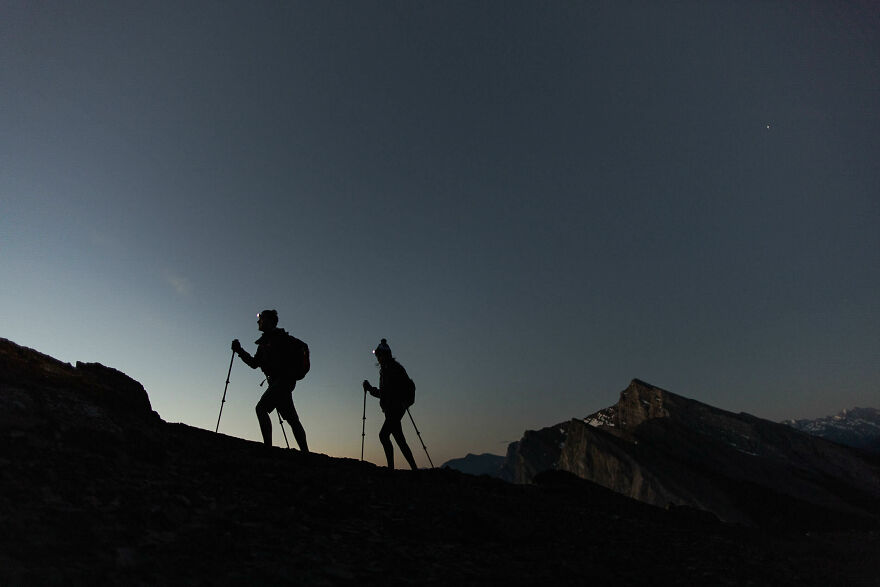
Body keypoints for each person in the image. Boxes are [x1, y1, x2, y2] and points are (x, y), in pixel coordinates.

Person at [232, 310, 309, 453]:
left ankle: (268, 448)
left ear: (269, 321)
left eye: (260, 319)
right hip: (281, 383)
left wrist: (239, 351)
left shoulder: (278, 339)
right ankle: (305, 451)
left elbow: (257, 363)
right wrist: (240, 351)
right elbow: (255, 363)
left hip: (282, 382)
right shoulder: (266, 342)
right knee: (292, 419)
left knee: (261, 408)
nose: (258, 322)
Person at [362, 338, 418, 470]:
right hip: (394, 408)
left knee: (383, 435)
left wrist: (370, 389)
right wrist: (371, 389)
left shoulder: (392, 370)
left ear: (384, 355)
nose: (377, 358)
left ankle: (391, 468)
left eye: (379, 355)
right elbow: (385, 393)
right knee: (399, 439)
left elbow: (387, 393)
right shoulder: (388, 369)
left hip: (395, 409)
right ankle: (414, 468)